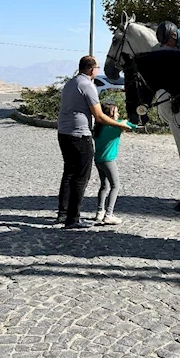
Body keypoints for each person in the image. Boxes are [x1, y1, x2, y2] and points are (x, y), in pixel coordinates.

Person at [57, 55, 131, 229]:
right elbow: (99, 115)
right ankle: (73, 219)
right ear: (91, 69)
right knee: (80, 177)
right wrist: (120, 125)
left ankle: (63, 213)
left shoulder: (71, 83)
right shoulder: (87, 85)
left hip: (64, 133)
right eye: (96, 68)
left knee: (68, 173)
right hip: (79, 135)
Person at [93, 101, 137, 225]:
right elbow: (132, 125)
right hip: (109, 160)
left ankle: (99, 212)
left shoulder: (99, 127)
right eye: (116, 112)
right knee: (115, 186)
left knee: (104, 186)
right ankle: (109, 214)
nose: (118, 114)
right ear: (110, 115)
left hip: (98, 159)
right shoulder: (115, 126)